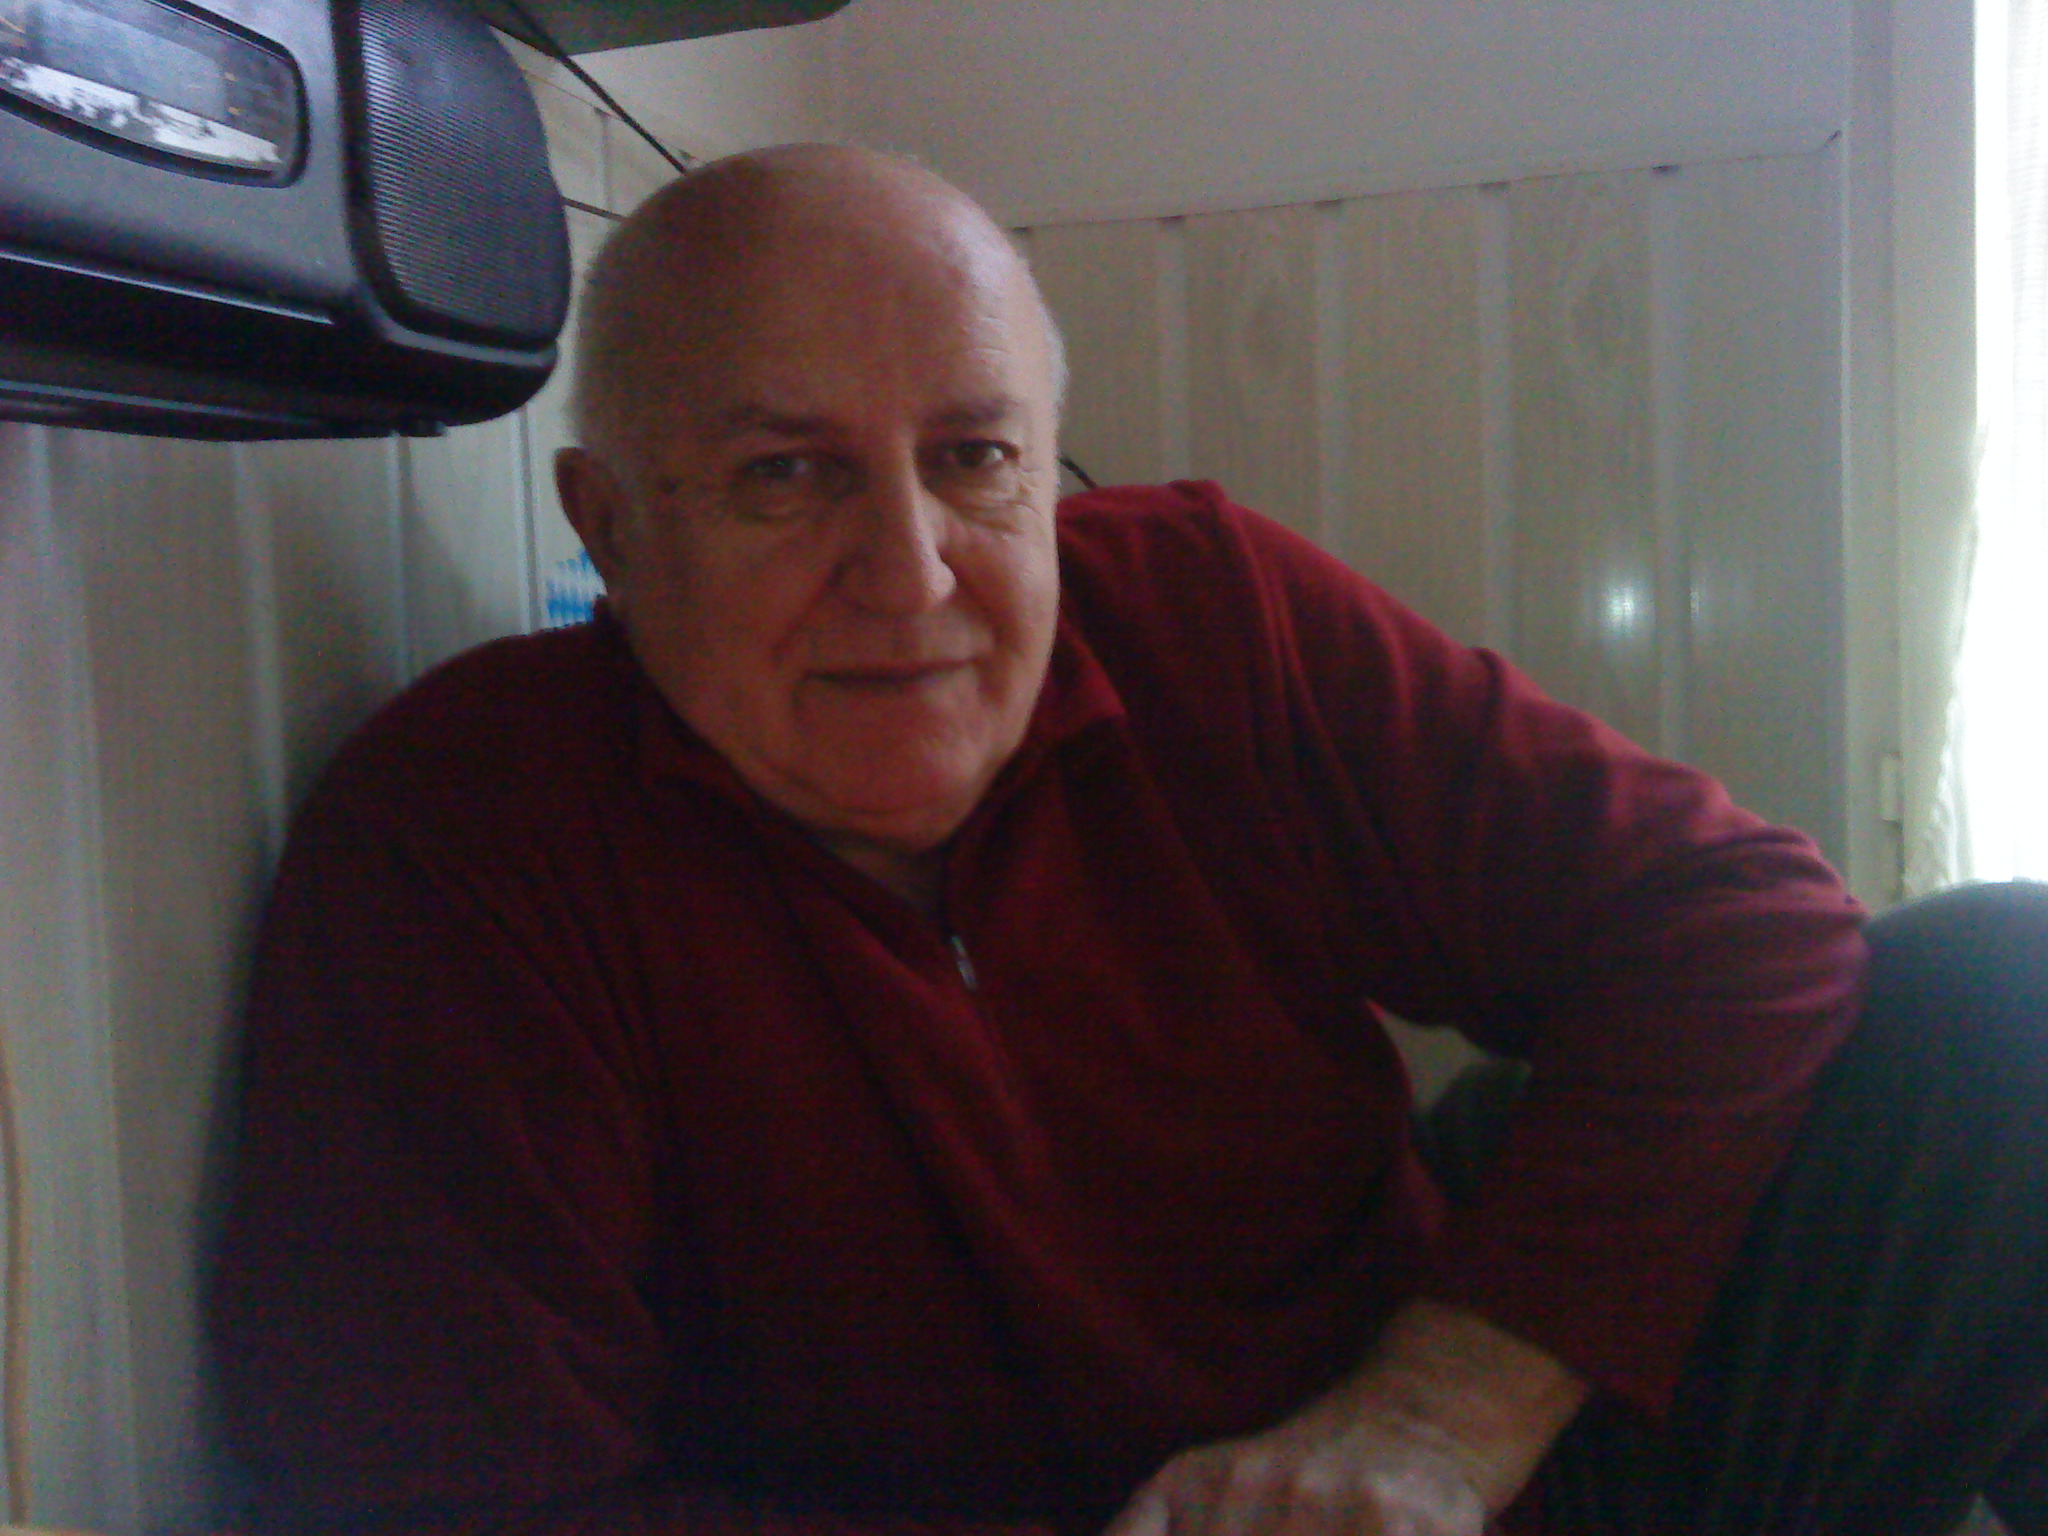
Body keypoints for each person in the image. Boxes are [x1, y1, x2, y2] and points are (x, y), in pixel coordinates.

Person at [207, 144, 2048, 1536]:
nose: (911, 574)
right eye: (787, 473)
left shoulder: (1195, 612)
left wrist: (1437, 1418)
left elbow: (1731, 920)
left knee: (2007, 1005)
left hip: (1424, 1452)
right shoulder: (467, 839)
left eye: (974, 458)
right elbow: (452, 1503)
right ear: (612, 529)